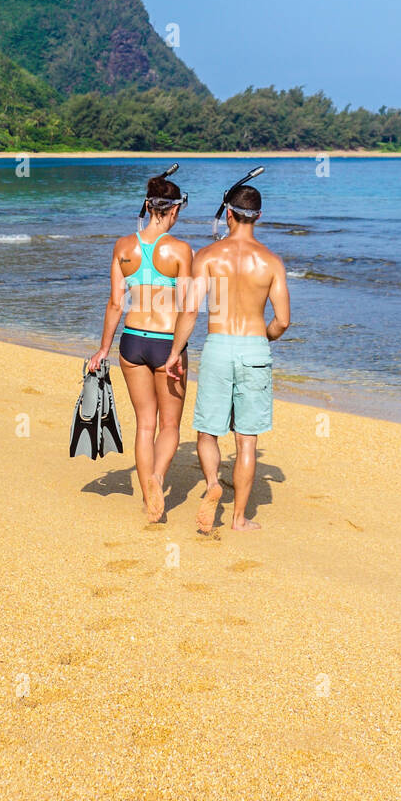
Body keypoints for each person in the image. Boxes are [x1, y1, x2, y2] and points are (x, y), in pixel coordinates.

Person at [162, 185, 290, 532]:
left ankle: (213, 484)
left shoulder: (207, 256)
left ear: (228, 214)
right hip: (254, 348)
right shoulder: (271, 261)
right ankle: (238, 519)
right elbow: (282, 321)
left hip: (218, 345)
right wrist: (265, 337)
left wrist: (175, 352)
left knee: (208, 431)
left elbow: (190, 311)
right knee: (246, 440)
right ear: (259, 217)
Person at [88, 174, 194, 522]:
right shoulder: (180, 250)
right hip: (166, 343)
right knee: (170, 426)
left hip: (131, 342)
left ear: (148, 206)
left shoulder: (123, 247)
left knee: (145, 424)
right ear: (174, 209)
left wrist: (103, 349)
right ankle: (157, 479)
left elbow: (115, 304)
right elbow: (187, 307)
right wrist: (177, 352)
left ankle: (147, 491)